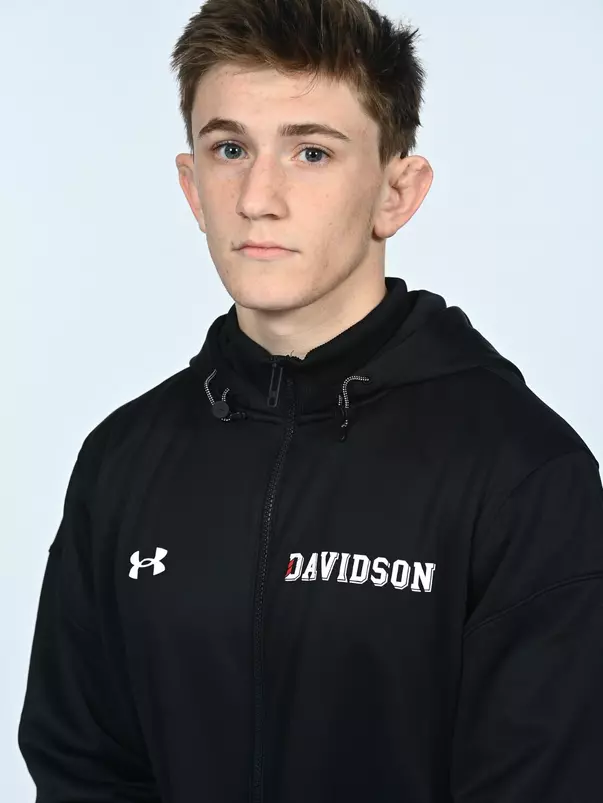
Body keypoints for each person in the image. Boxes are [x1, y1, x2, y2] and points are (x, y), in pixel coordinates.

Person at [18, 0, 603, 801]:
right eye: (229, 148)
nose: (258, 196)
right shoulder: (123, 459)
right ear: (192, 184)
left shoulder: (521, 471)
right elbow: (83, 767)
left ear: (396, 192)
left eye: (312, 154)